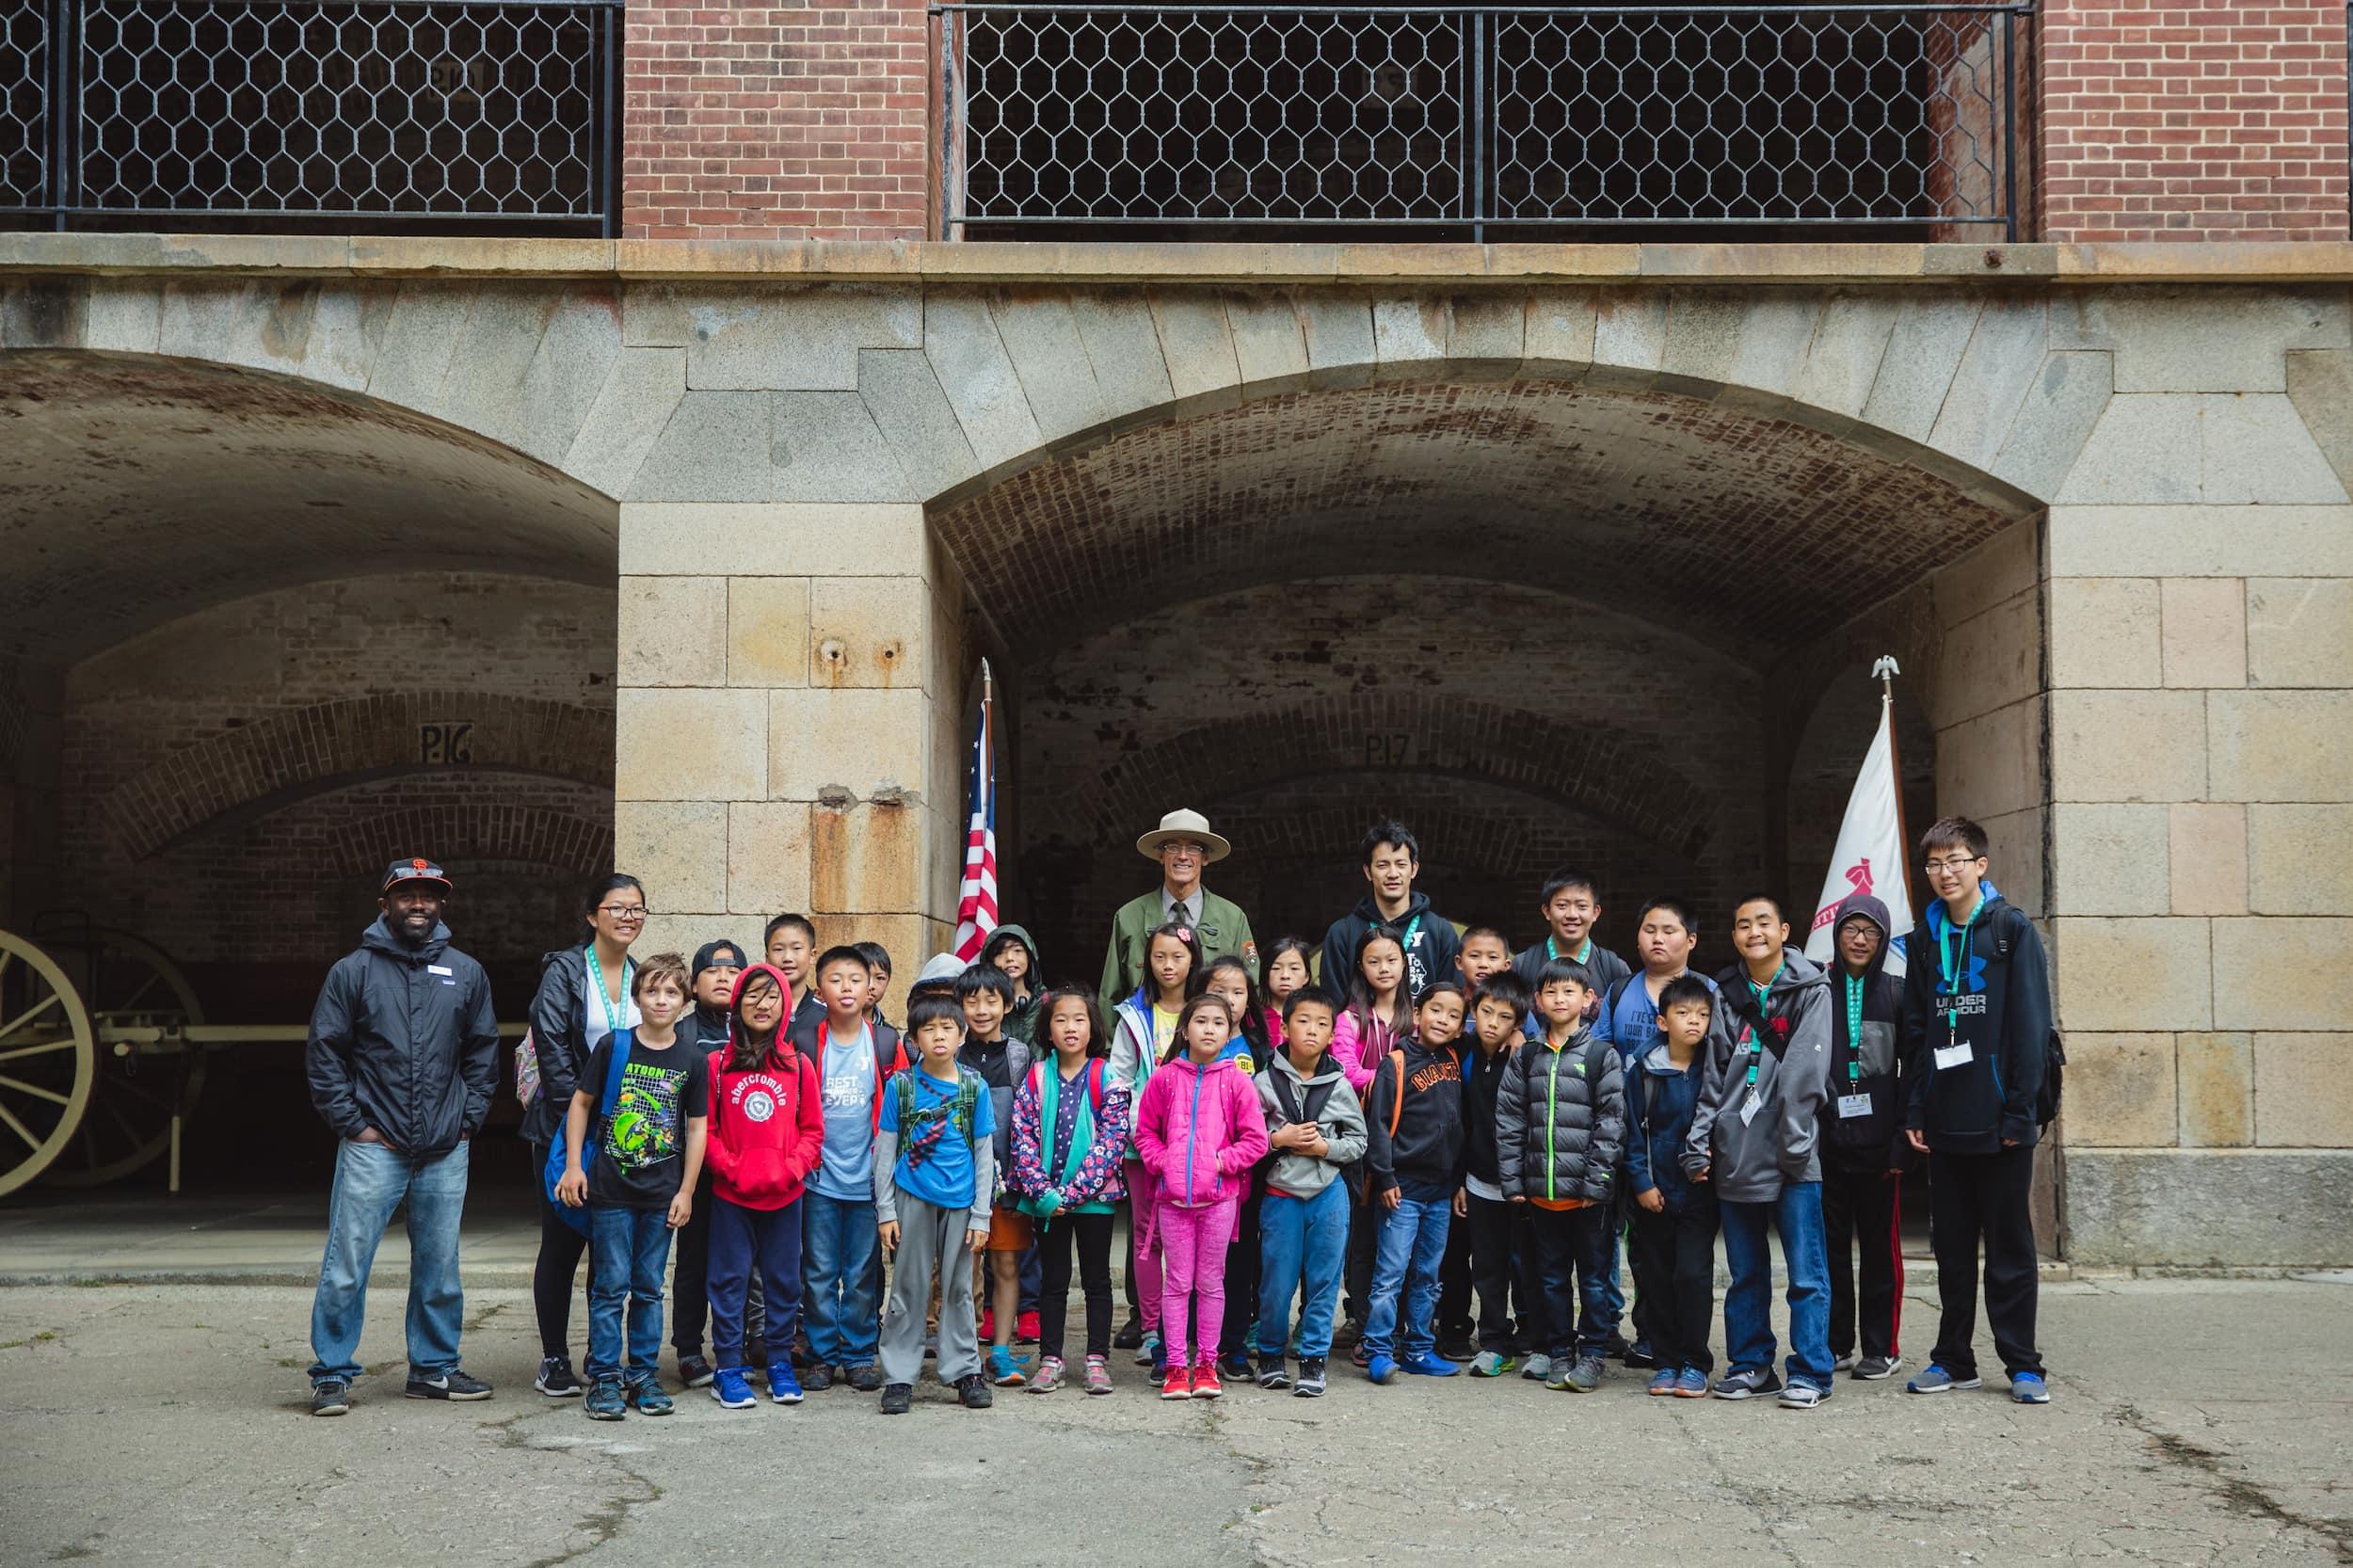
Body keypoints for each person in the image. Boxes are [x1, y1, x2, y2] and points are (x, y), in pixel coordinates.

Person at [303, 857, 500, 1416]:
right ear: (385, 904)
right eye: (407, 894)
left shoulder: (466, 972)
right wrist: (353, 1124)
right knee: (347, 1263)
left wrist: (468, 1119)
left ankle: (433, 1369)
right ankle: (332, 1375)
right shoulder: (353, 972)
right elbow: (325, 1054)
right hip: (374, 1146)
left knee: (439, 1266)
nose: (419, 904)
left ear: (442, 905)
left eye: (429, 895)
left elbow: (484, 1051)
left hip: (444, 1147)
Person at [1901, 817, 2055, 1404]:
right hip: (1945, 1118)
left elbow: (2030, 1028)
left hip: (2002, 1123)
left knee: (2010, 1250)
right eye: (1935, 864)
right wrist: (1916, 1107)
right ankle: (1952, 1358)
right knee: (1953, 1251)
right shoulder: (1923, 938)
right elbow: (1918, 1031)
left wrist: (2021, 1112)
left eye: (1956, 861)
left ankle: (2023, 1364)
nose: (1944, 873)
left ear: (1980, 866)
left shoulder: (2011, 930)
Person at [1685, 895, 1834, 1409]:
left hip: (1793, 1152)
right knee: (1746, 1271)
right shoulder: (1726, 993)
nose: (1753, 931)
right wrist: (1700, 1140)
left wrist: (1795, 1142)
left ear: (1785, 930)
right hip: (1737, 1152)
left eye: (1763, 922)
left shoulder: (1813, 989)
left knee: (1805, 1271)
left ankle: (1811, 1371)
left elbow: (1803, 1075)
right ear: (1734, 936)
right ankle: (1751, 1363)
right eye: (1743, 924)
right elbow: (1714, 1076)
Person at [557, 952, 709, 1420]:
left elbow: (698, 1128)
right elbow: (581, 1104)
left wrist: (686, 1191)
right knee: (609, 1286)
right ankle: (604, 1376)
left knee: (647, 1287)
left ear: (685, 1001)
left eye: (671, 992)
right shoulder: (614, 1046)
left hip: (662, 1192)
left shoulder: (693, 1058)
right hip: (611, 1190)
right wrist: (572, 1166)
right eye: (651, 990)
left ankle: (642, 1374)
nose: (660, 1000)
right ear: (637, 996)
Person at [524, 874, 648, 1400]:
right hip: (563, 1127)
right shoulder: (568, 970)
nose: (628, 917)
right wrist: (575, 1129)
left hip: (625, 1135)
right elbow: (552, 1044)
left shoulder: (645, 977)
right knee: (562, 1242)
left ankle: (604, 1358)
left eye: (637, 909)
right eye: (616, 907)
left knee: (611, 1246)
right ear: (592, 915)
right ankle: (554, 1359)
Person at [1589, 897, 1718, 1369]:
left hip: (1691, 1157)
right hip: (1632, 1136)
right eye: (1648, 929)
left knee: (1688, 1267)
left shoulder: (1709, 992)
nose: (1657, 938)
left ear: (1691, 940)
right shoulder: (1622, 991)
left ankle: (1683, 1350)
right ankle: (1652, 1338)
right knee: (1644, 1252)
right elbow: (1600, 1054)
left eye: (1668, 929)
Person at [697, 962, 824, 1410]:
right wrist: (730, 1167)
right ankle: (728, 1368)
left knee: (784, 1282)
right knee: (729, 1281)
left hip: (785, 1194)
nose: (761, 1004)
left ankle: (779, 1364)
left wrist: (791, 1168)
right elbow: (705, 1131)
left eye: (771, 996)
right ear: (737, 1005)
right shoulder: (717, 1065)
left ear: (785, 1006)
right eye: (751, 996)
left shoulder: (799, 1065)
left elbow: (812, 1131)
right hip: (732, 1195)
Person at [1133, 994, 1269, 1400]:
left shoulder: (1237, 1081)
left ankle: (1207, 1363)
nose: (1209, 1029)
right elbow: (1144, 1134)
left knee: (1211, 1283)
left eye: (1218, 1023)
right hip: (1173, 1202)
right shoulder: (1165, 1078)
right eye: (1201, 1021)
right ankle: (1176, 1365)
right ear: (1184, 1029)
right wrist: (1167, 1162)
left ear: (1230, 1032)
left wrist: (1218, 1162)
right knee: (1176, 1284)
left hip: (1220, 1201)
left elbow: (1256, 1141)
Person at [1497, 959, 1623, 1393]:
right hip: (1540, 1193)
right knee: (1549, 1277)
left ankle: (1592, 1354)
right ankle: (1558, 1351)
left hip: (1588, 1198)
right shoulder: (1527, 1056)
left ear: (1589, 1000)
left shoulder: (1601, 1055)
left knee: (1593, 1277)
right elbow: (1510, 1120)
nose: (1559, 999)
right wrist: (1513, 1182)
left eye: (1569, 992)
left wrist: (1596, 1183)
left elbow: (1611, 1123)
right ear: (1538, 1001)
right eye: (1551, 992)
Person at [874, 991, 997, 1415]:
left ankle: (964, 1370)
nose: (939, 1036)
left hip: (962, 1202)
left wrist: (982, 1214)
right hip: (912, 1197)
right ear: (914, 1039)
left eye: (947, 1028)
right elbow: (885, 1151)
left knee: (960, 1288)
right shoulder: (901, 1087)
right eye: (928, 1029)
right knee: (908, 1287)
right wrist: (886, 1210)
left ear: (962, 1035)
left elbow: (984, 1155)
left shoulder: (973, 1087)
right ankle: (899, 1375)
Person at [1008, 985, 1130, 1395]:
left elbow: (1113, 1139)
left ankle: (1097, 1359)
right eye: (1060, 1020)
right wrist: (1043, 1194)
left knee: (1097, 1280)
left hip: (1093, 1201)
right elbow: (1021, 1133)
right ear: (1048, 1030)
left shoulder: (1106, 1076)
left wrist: (1074, 1193)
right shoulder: (1038, 1076)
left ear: (1092, 1027)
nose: (1070, 1027)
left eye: (1079, 1019)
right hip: (1048, 1204)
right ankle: (1051, 1358)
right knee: (1053, 1281)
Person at [799, 945, 905, 1395]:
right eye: (836, 979)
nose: (846, 987)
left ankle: (860, 1353)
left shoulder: (884, 1043)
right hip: (818, 1180)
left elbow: (902, 1109)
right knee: (820, 1271)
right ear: (820, 990)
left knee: (862, 1271)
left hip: (868, 1182)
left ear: (871, 990)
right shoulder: (803, 1041)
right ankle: (822, 1355)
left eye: (856, 979)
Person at [1252, 986, 1366, 1398]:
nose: (1312, 1031)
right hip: (1281, 1195)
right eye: (1303, 1021)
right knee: (1276, 1283)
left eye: (1322, 1024)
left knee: (1324, 1281)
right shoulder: (1263, 1083)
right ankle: (1269, 1354)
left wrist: (1324, 1148)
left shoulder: (1339, 1086)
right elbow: (1246, 1139)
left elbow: (1358, 1141)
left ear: (1333, 1034)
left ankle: (1313, 1359)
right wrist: (1278, 1138)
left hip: (1328, 1195)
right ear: (1283, 1027)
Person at [1360, 982, 1468, 1384]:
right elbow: (1379, 1127)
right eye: (1436, 1010)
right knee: (1390, 1273)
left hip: (1441, 1193)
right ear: (1418, 1014)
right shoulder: (1397, 1062)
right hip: (1401, 1190)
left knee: (1428, 1274)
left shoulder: (1456, 1059)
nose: (1443, 1019)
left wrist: (1457, 1181)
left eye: (1454, 1015)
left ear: (1461, 1026)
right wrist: (1385, 1176)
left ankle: (1419, 1348)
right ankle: (1377, 1350)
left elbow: (1460, 1128)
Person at [1821, 893, 1908, 1382]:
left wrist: (1902, 1138)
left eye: (1870, 932)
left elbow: (1912, 1072)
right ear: (1837, 935)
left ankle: (1883, 1346)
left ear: (1882, 939)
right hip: (1829, 1144)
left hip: (1880, 1149)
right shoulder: (1818, 991)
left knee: (1880, 1251)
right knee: (1831, 1251)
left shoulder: (1896, 993)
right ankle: (1837, 1344)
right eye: (1851, 930)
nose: (1860, 939)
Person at [1624, 974, 1720, 1399]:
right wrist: (1642, 1183)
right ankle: (1665, 1361)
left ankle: (1695, 1362)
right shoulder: (1644, 1069)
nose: (1693, 1022)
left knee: (1694, 1276)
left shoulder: (1716, 1068)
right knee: (1657, 1278)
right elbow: (1629, 1132)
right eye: (1682, 1014)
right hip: (1654, 1196)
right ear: (1663, 1022)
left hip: (1701, 1195)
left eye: (1702, 1015)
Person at [1109, 920, 1198, 1365]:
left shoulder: (1206, 1010)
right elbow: (1119, 1079)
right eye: (1159, 957)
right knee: (1148, 1237)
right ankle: (1150, 1328)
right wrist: (1137, 1132)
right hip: (1142, 1146)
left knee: (1196, 1235)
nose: (1168, 965)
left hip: (1198, 1145)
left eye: (1177, 956)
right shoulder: (1133, 1015)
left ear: (1192, 960)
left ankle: (1190, 1327)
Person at [669, 936, 751, 1388]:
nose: (723, 977)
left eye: (733, 969)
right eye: (712, 970)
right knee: (694, 1261)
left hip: (744, 1165)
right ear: (694, 984)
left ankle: (736, 1344)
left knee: (742, 1261)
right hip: (695, 1169)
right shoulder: (681, 1033)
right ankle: (687, 1348)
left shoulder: (756, 1031)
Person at [1452, 970, 1540, 1378]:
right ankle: (1494, 1342)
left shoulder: (1528, 1058)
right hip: (1479, 1180)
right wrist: (1461, 1180)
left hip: (1522, 1184)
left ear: (1518, 1024)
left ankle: (1538, 1340)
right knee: (1487, 1267)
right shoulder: (1464, 1051)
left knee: (1529, 1265)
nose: (1492, 1023)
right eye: (1485, 1012)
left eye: (1503, 1017)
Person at [1328, 922, 1411, 1349]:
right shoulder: (1350, 1018)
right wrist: (1394, 1078)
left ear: (1404, 964)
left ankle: (1400, 1325)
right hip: (1360, 1137)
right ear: (1360, 966)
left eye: (1391, 959)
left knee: (1399, 1234)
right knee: (1362, 1235)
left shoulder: (1415, 1016)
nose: (1384, 968)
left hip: (1409, 1137)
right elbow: (1344, 1071)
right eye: (1374, 960)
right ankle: (1363, 1322)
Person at [1435, 924, 1515, 1357]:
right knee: (1458, 1255)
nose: (1482, 964)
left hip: (1505, 1169)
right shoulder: (1455, 1033)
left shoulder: (1520, 1042)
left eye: (1492, 956)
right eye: (1474, 956)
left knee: (1507, 1259)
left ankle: (1510, 1332)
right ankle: (1454, 1327)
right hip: (1460, 1164)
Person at [1195, 954, 1273, 1380]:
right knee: (1193, 1262)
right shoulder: (1192, 1044)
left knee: (1241, 1260)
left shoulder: (1259, 1049)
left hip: (1245, 1174)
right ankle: (1187, 1343)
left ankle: (1233, 1344)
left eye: (1238, 992)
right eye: (1219, 991)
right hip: (1194, 1177)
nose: (1228, 1000)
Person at [1100, 808, 1258, 1003]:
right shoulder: (1128, 917)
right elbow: (1110, 995)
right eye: (1173, 847)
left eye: (1193, 848)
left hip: (1213, 1031)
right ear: (1161, 855)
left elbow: (1253, 987)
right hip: (1147, 1031)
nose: (1182, 856)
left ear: (1205, 858)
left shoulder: (1233, 918)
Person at [1319, 820, 1462, 1004]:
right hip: (1358, 1033)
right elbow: (1333, 1006)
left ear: (1414, 869)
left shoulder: (1441, 932)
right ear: (1368, 871)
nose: (1393, 873)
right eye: (1383, 865)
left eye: (1401, 864)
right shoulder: (1342, 934)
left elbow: (1451, 1003)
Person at [1511, 871, 1634, 1017]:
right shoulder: (1522, 964)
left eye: (1582, 906)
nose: (1572, 915)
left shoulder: (1614, 968)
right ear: (1547, 911)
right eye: (1562, 906)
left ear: (1595, 912)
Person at [980, 925, 1047, 1048]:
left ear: (1029, 956)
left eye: (1017, 951)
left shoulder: (1047, 1003)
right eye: (1000, 953)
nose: (1010, 958)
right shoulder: (982, 1006)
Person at [764, 913, 824, 1035]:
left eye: (796, 948)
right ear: (767, 958)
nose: (787, 958)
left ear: (812, 956)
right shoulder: (759, 1009)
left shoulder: (827, 1011)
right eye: (778, 949)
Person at [1259, 934, 1317, 1054]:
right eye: (1276, 968)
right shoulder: (1254, 1018)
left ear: (1306, 977)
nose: (1285, 975)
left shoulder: (1317, 1017)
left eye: (1294, 969)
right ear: (1265, 975)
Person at [856, 940, 896, 1030]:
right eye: (860, 977)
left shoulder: (889, 1035)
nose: (871, 986)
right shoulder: (825, 1025)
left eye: (879, 978)